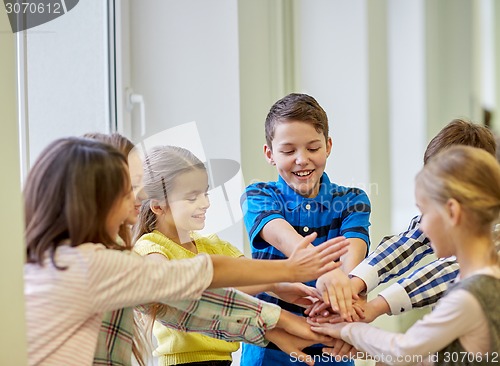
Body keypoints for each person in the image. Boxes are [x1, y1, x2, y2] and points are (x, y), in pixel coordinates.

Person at [23, 137, 351, 366]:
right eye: (126, 192)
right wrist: (287, 273)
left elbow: (186, 305)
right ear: (92, 200)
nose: (134, 202)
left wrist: (278, 315)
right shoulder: (91, 264)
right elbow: (196, 281)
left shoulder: (58, 261)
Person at [132, 145, 348, 366]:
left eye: (205, 193)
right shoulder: (150, 247)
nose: (205, 203)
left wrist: (277, 286)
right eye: (191, 198)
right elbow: (181, 289)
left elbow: (250, 276)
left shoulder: (215, 245)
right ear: (158, 206)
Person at [309, 145, 500, 365]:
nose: (422, 227)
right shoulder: (482, 280)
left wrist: (347, 330)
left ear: (452, 212)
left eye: (424, 213)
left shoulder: (470, 296)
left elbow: (405, 349)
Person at [240, 93, 371, 365]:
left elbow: (352, 258)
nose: (302, 160)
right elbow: (280, 234)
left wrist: (344, 286)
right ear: (270, 154)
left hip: (332, 346)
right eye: (288, 151)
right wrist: (328, 270)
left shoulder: (352, 200)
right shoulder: (259, 195)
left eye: (312, 148)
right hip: (269, 347)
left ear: (328, 146)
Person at [83, 132, 149, 366]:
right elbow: (179, 292)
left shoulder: (119, 248)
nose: (141, 195)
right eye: (132, 185)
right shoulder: (90, 258)